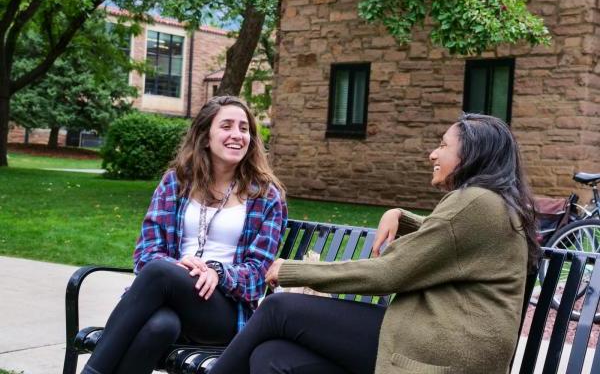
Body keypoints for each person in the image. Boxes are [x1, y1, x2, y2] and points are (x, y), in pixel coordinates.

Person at [209, 113, 538, 374]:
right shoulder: (494, 204)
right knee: (274, 357)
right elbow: (446, 237)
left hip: (438, 356)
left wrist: (291, 270)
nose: (433, 153)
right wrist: (401, 215)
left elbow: (389, 273)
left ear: (471, 155)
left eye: (443, 145)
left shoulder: (475, 202)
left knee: (279, 308)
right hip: (435, 345)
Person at [81, 96, 287, 374]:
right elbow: (146, 253)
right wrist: (180, 266)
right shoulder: (176, 183)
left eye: (244, 128)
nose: (237, 135)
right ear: (205, 137)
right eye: (226, 126)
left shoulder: (266, 196)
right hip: (168, 296)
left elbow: (258, 275)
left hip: (224, 312)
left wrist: (218, 272)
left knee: (158, 273)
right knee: (161, 326)